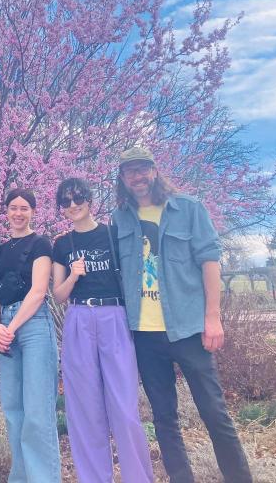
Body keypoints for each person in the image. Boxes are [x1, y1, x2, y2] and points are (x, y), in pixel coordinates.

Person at [112, 146, 252, 483]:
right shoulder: (119, 218)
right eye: (130, 171)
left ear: (155, 170)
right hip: (144, 333)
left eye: (142, 168)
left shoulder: (188, 209)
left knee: (214, 413)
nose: (137, 176)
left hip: (188, 328)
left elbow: (210, 261)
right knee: (164, 417)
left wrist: (213, 318)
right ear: (122, 178)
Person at [51, 178, 152, 483]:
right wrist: (73, 276)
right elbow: (58, 294)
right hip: (79, 318)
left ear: (89, 199)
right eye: (65, 201)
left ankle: (138, 478)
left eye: (78, 197)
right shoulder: (62, 244)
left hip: (114, 317)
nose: (72, 205)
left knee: (124, 407)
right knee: (85, 411)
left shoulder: (112, 234)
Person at [0, 188, 60, 483]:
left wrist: (12, 326)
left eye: (24, 208)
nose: (18, 213)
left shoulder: (41, 243)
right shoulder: (1, 250)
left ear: (33, 211)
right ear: (6, 211)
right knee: (13, 410)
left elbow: (39, 291)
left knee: (37, 412)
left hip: (32, 326)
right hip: (4, 326)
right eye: (13, 208)